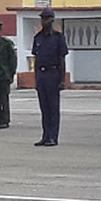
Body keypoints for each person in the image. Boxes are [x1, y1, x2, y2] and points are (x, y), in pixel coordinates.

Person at [32, 8, 67, 146]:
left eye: (46, 18)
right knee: (44, 107)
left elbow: (62, 60)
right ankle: (45, 135)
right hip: (41, 75)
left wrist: (62, 80)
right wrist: (36, 78)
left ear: (52, 20)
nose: (43, 21)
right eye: (42, 18)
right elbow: (36, 59)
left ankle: (53, 137)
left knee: (53, 107)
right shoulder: (38, 38)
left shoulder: (58, 37)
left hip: (53, 74)